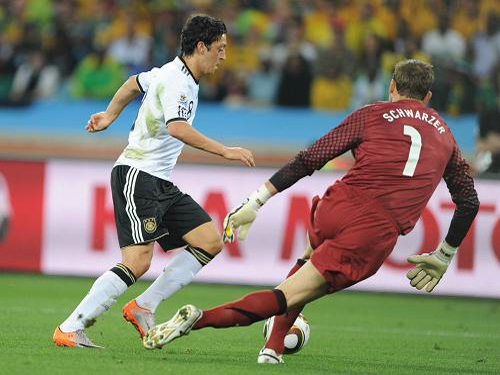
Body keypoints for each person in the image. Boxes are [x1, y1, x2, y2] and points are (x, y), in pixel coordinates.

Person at [142, 59, 479, 364]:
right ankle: (199, 319)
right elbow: (469, 201)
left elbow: (311, 158)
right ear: (429, 95)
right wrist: (445, 253)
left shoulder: (371, 113)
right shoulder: (446, 135)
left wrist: (257, 200)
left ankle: (272, 350)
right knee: (287, 295)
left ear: (392, 86)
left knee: (306, 266)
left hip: (338, 203)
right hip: (372, 231)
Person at [53, 14, 255, 348]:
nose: (223, 56)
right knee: (137, 261)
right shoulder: (179, 81)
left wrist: (109, 115)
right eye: (219, 48)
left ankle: (144, 306)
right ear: (201, 46)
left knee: (209, 240)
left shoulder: (170, 72)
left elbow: (134, 82)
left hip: (158, 180)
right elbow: (177, 127)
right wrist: (225, 151)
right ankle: (70, 327)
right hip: (138, 175)